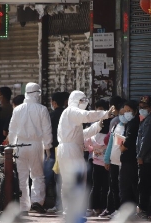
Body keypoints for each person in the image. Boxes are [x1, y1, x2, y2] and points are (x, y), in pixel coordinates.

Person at [56, 90, 115, 220]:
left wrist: (98, 125)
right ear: (76, 100)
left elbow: (82, 134)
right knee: (77, 180)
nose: (85, 103)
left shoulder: (69, 115)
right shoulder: (72, 111)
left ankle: (69, 211)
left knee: (69, 181)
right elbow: (87, 116)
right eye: (82, 101)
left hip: (68, 148)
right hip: (71, 150)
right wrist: (105, 114)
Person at [7, 83, 53, 215]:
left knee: (22, 177)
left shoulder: (18, 109)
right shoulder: (42, 109)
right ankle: (37, 201)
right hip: (36, 145)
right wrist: (48, 147)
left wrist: (12, 146)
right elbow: (47, 130)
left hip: (20, 145)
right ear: (37, 93)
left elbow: (12, 130)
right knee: (38, 175)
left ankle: (23, 207)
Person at [85, 99, 111, 217]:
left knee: (98, 186)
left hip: (98, 161)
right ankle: (100, 207)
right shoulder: (108, 129)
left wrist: (92, 149)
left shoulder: (97, 128)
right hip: (104, 162)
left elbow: (87, 142)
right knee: (103, 185)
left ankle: (94, 208)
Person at [136, 96, 151, 219]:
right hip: (147, 158)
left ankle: (144, 210)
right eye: (141, 107)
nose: (142, 109)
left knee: (144, 185)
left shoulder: (150, 120)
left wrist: (140, 155)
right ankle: (150, 209)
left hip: (147, 159)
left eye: (144, 107)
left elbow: (146, 140)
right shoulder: (147, 119)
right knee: (149, 185)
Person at [103, 104, 126, 218]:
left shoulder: (129, 127)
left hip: (124, 163)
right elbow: (111, 144)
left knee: (123, 187)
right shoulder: (115, 126)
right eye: (121, 114)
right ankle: (116, 209)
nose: (122, 116)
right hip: (114, 162)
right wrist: (107, 159)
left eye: (124, 113)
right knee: (114, 187)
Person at [45, 92, 65, 213]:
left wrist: (47, 149)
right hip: (64, 150)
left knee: (47, 178)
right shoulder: (67, 114)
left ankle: (43, 203)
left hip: (52, 152)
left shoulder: (51, 116)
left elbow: (47, 133)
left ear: (54, 103)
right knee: (61, 179)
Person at [120, 100, 140, 207]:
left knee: (128, 185)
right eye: (125, 110)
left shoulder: (133, 123)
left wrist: (123, 147)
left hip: (130, 158)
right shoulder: (131, 122)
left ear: (135, 111)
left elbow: (130, 139)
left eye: (129, 110)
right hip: (130, 158)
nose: (127, 113)